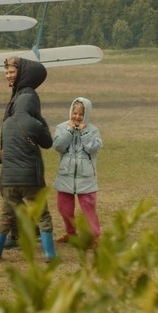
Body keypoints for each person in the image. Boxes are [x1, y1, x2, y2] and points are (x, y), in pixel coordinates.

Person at [0, 56, 55, 262]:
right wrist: (40, 121)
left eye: (11, 72)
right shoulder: (33, 117)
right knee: (42, 214)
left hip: (8, 177)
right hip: (31, 177)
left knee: (6, 214)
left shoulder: (8, 120)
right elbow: (47, 142)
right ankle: (49, 254)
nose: (8, 76)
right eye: (6, 72)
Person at [52, 97, 103, 247]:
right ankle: (70, 233)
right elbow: (58, 147)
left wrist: (84, 132)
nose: (77, 117)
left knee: (88, 208)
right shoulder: (61, 127)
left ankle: (94, 237)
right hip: (65, 175)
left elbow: (94, 149)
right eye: (75, 113)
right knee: (64, 208)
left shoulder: (93, 130)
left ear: (86, 115)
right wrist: (68, 131)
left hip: (85, 177)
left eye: (81, 114)